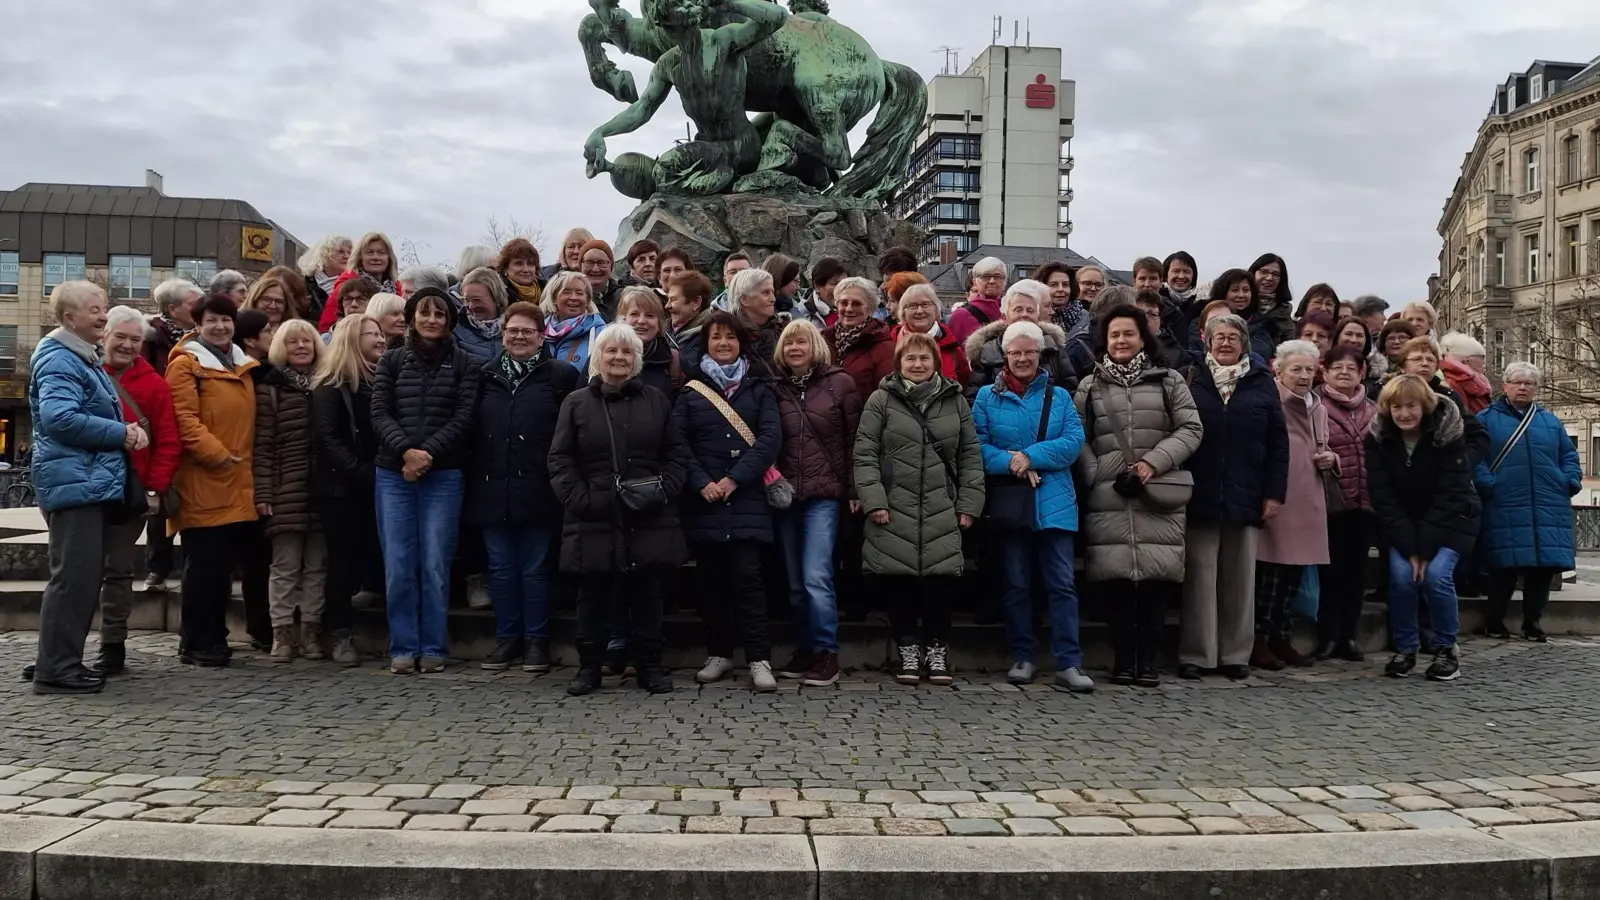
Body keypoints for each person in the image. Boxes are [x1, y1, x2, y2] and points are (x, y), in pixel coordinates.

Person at [549, 323, 690, 696]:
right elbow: (560, 459)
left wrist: (665, 492)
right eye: (611, 351)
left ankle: (650, 667)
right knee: (592, 596)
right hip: (593, 516)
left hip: (648, 514)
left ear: (637, 359)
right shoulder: (576, 403)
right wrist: (581, 500)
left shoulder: (658, 400)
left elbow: (675, 454)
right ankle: (589, 669)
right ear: (598, 357)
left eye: (626, 352)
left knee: (647, 596)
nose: (618, 358)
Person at [26, 283, 145, 694]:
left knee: (79, 576)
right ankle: (56, 669)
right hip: (73, 482)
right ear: (70, 318)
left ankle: (58, 660)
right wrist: (122, 434)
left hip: (83, 481)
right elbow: (59, 418)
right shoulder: (61, 358)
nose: (103, 316)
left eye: (104, 308)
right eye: (95, 310)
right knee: (74, 578)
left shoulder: (79, 357)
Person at [1074, 305, 1202, 687]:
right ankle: (1122, 659)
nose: (1121, 341)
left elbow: (1191, 429)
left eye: (1128, 333)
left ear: (1143, 337)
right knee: (1115, 581)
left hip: (1158, 492)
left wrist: (1151, 465)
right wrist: (1098, 472)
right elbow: (1077, 437)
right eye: (1114, 335)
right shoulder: (1089, 386)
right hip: (1109, 495)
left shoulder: (1169, 381)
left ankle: (1146, 660)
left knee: (1154, 580)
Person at [854, 331, 985, 686]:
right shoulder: (880, 400)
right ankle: (908, 650)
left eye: (924, 358)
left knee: (940, 585)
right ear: (899, 362)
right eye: (910, 358)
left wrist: (969, 504)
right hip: (894, 506)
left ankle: (937, 650)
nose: (917, 364)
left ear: (935, 362)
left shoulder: (955, 400)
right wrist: (874, 501)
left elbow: (970, 455)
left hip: (942, 505)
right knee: (900, 584)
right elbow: (865, 454)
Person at [972, 321, 1089, 691]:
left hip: (1054, 503)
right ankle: (1023, 656)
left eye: (1029, 352)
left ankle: (1069, 662)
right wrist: (1011, 463)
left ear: (1041, 355)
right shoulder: (986, 398)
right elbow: (976, 447)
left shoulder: (1059, 397)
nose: (1022, 358)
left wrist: (1030, 456)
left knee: (1061, 585)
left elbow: (1073, 441)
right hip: (1011, 504)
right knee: (1017, 584)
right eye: (1015, 352)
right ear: (1005, 356)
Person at [370, 288, 480, 675]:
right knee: (399, 563)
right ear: (413, 317)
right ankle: (403, 645)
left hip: (443, 472)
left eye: (440, 314)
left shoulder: (466, 363)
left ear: (450, 321)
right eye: (424, 313)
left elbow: (465, 417)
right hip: (394, 473)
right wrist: (406, 452)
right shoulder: (392, 361)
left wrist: (427, 454)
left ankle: (433, 646)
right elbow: (380, 413)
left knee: (435, 562)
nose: (432, 320)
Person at [469, 301, 582, 674]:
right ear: (503, 334)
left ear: (541, 335)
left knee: (535, 570)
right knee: (500, 569)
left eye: (527, 331)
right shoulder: (485, 375)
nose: (519, 337)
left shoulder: (560, 376)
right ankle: (507, 640)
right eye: (512, 331)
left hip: (539, 489)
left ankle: (536, 642)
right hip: (492, 487)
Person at [674, 312, 783, 691]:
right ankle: (718, 653)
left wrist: (735, 479)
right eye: (716, 337)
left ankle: (758, 658)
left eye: (730, 338)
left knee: (748, 580)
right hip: (704, 500)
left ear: (741, 343)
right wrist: (701, 481)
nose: (723, 344)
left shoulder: (759, 388)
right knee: (711, 582)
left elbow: (770, 439)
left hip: (746, 498)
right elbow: (678, 443)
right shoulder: (690, 392)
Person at [1178, 313, 1289, 680]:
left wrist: (1274, 493)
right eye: (1218, 337)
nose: (1225, 343)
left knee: (1240, 578)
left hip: (1248, 490)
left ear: (1244, 343)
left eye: (1232, 337)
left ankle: (1235, 654)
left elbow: (1278, 442)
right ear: (1207, 342)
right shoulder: (1191, 379)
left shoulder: (1261, 383)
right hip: (1200, 489)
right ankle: (1198, 653)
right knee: (1200, 578)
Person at [166, 293, 260, 668]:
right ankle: (197, 641)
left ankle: (211, 636)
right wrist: (217, 454)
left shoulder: (239, 362)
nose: (219, 326)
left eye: (225, 319)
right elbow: (184, 420)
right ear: (198, 325)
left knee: (221, 567)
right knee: (204, 566)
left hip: (237, 478)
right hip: (206, 476)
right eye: (211, 321)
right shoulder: (186, 364)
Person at [1367, 375, 1479, 681]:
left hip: (1453, 519)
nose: (1404, 413)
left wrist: (1425, 550)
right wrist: (1411, 549)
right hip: (1403, 521)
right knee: (1402, 577)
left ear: (1424, 405)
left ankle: (1446, 648)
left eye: (1411, 406)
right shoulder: (1377, 438)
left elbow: (1451, 494)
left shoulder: (1447, 434)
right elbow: (1383, 497)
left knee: (1437, 575)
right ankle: (1405, 648)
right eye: (1397, 407)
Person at [771, 319, 860, 687]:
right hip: (787, 493)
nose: (794, 349)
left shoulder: (841, 383)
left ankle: (827, 652)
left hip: (825, 494)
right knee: (794, 581)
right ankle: (806, 646)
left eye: (801, 342)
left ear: (815, 347)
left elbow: (855, 439)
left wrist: (854, 489)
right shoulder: (774, 387)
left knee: (816, 576)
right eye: (788, 343)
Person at [97, 305, 180, 676]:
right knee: (74, 573)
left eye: (135, 339)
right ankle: (61, 647)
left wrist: (155, 488)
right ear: (104, 336)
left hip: (127, 495)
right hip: (85, 489)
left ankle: (112, 646)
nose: (128, 345)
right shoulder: (86, 373)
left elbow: (168, 441)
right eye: (121, 337)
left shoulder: (154, 384)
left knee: (116, 571)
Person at [1476, 362, 1580, 642]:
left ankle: (1532, 622)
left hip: (1549, 502)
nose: (1523, 387)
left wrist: (1569, 480)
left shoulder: (1550, 421)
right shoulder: (1486, 419)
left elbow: (1569, 455)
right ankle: (1494, 621)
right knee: (1504, 566)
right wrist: (1487, 484)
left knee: (1542, 569)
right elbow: (1475, 457)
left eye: (1529, 383)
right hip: (1504, 500)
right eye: (1517, 382)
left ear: (1536, 388)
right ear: (1505, 386)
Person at [310, 314, 388, 667]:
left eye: (380, 332)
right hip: (341, 488)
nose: (381, 339)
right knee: (342, 563)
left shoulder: (382, 381)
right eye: (372, 333)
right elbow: (327, 440)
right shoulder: (330, 386)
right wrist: (362, 473)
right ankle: (339, 633)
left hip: (377, 482)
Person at [1251, 340, 1333, 670]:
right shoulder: (1269, 401)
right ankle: (1258, 637)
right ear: (1278, 370)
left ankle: (1281, 635)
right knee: (1269, 575)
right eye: (1296, 369)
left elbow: (1323, 445)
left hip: (1309, 499)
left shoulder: (1319, 406)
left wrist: (1332, 458)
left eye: (1309, 370)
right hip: (1278, 495)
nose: (1303, 376)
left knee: (1293, 576)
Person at [253, 319, 328, 662]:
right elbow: (263, 446)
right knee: (284, 567)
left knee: (317, 566)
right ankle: (282, 635)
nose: (301, 347)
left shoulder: (328, 384)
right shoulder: (270, 388)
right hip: (285, 489)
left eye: (307, 341)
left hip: (321, 490)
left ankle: (311, 633)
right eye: (293, 342)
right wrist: (264, 492)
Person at [1315, 344, 1378, 662]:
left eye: (1351, 368)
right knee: (1329, 573)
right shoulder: (1314, 405)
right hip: (1327, 502)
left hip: (1363, 502)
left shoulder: (1374, 410)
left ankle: (1349, 637)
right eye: (1336, 367)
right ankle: (1327, 636)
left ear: (1362, 373)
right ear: (1324, 371)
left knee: (1356, 573)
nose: (1344, 372)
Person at [142, 278, 204, 586]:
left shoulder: (202, 338)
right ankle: (157, 566)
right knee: (161, 501)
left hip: (195, 425)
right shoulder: (152, 339)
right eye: (193, 303)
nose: (199, 308)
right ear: (173, 309)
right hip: (162, 427)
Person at [967, 280, 1071, 393]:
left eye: (1030, 310)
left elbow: (1070, 391)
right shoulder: (986, 351)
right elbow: (974, 397)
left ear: (1038, 316)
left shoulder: (1054, 348)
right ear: (1004, 317)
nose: (1024, 314)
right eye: (1018, 310)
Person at [823, 277, 895, 403]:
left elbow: (888, 399)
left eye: (857, 303)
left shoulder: (885, 348)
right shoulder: (823, 341)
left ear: (870, 308)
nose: (849, 309)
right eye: (844, 303)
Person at [319, 232, 401, 333]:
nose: (375, 257)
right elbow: (326, 327)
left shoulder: (396, 289)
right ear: (360, 258)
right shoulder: (346, 285)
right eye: (369, 252)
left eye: (381, 252)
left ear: (389, 258)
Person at [891, 283, 970, 384]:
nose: (919, 311)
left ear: (936, 309)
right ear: (903, 312)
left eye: (925, 304)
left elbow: (965, 383)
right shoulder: (890, 343)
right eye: (912, 306)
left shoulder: (951, 347)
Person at [618, 287, 683, 399]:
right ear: (622, 319)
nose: (642, 321)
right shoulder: (604, 354)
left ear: (659, 324)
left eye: (650, 315)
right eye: (634, 314)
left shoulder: (672, 361)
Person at [1204, 268, 1278, 361]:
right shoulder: (1205, 318)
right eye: (1235, 290)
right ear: (1223, 292)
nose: (1241, 295)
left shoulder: (1263, 325)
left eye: (1246, 290)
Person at [541, 271, 608, 371]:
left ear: (587, 300)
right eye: (566, 292)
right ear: (554, 298)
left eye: (580, 293)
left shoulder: (601, 333)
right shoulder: (538, 330)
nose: (573, 297)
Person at [730, 267, 789, 376]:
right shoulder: (729, 336)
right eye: (766, 293)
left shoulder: (784, 332)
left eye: (772, 292)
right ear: (745, 300)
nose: (773, 299)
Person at [145, 278, 204, 377]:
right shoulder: (151, 336)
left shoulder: (207, 334)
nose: (201, 308)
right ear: (173, 310)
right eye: (193, 304)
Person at [455, 267, 508, 365]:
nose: (471, 306)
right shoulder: (456, 331)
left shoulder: (515, 328)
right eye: (466, 300)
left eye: (477, 300)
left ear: (496, 299)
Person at [948, 257, 1007, 345]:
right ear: (975, 282)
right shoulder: (960, 316)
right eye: (985, 276)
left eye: (997, 277)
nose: (992, 281)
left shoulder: (1013, 311)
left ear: (1005, 281)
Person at [298, 235, 354, 321]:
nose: (346, 256)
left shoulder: (354, 284)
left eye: (349, 252)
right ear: (324, 255)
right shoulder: (303, 286)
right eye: (340, 252)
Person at [667, 271, 716, 363]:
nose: (667, 306)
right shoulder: (664, 332)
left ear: (696, 302)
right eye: (668, 299)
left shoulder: (712, 337)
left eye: (673, 299)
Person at [1440, 332, 1493, 414]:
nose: (1484, 362)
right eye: (1481, 357)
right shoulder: (1454, 383)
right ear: (1467, 360)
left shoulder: (1472, 380)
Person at [1248, 253, 1295, 344]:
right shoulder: (1240, 306)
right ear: (1253, 273)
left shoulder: (1285, 314)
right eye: (1264, 272)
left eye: (1276, 274)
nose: (1270, 278)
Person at [1032, 261, 1086, 335]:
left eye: (1065, 285)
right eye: (1053, 285)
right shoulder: (1032, 317)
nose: (1061, 289)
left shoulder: (1086, 318)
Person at [578, 239, 623, 321]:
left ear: (611, 266)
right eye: (589, 262)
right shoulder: (572, 297)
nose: (595, 269)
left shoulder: (624, 296)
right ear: (580, 266)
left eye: (602, 263)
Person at [243, 267, 307, 324]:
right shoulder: (237, 328)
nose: (273, 306)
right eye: (266, 299)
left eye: (279, 301)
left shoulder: (300, 332)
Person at [796, 256, 846, 328]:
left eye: (844, 283)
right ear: (817, 286)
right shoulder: (801, 315)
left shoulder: (853, 312)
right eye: (835, 284)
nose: (841, 289)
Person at [1160, 251, 1200, 337]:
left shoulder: (1199, 307)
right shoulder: (1157, 303)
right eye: (1176, 271)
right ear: (1166, 275)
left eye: (1186, 271)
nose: (1181, 276)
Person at [497, 238, 544, 306]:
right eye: (518, 263)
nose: (526, 270)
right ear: (505, 268)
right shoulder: (498, 294)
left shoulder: (547, 291)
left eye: (530, 264)